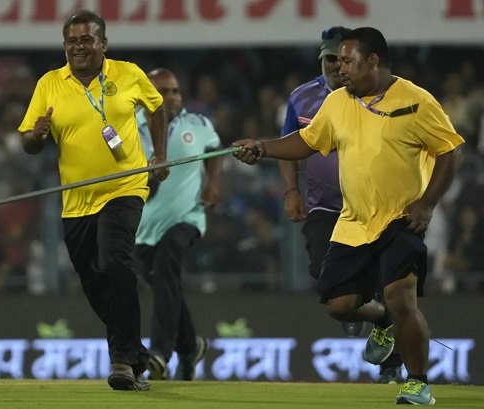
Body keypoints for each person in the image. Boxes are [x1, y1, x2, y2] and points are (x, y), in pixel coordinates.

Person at [232, 27, 464, 405]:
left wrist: (427, 203)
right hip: (353, 221)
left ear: (372, 61)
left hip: (400, 218)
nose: (340, 68)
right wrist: (263, 147)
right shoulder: (338, 101)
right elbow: (307, 140)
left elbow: (450, 151)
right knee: (339, 305)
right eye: (338, 61)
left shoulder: (416, 101)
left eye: (347, 61)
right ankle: (383, 321)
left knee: (401, 297)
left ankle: (418, 382)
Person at [17, 9, 169, 391]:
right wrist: (36, 136)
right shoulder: (49, 83)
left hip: (124, 187)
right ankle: (136, 353)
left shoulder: (128, 73)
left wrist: (160, 155)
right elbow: (29, 143)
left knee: (114, 260)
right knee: (94, 282)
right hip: (76, 201)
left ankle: (122, 363)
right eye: (72, 41)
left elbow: (157, 107)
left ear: (103, 43)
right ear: (64, 46)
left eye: (87, 39)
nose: (79, 47)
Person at [278, 26, 404, 383]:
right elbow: (289, 145)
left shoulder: (380, 95)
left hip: (373, 208)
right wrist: (291, 190)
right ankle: (365, 309)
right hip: (325, 207)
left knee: (389, 287)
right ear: (321, 60)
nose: (337, 65)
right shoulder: (302, 98)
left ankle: (392, 367)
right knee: (325, 276)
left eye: (344, 59)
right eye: (331, 58)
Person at [133, 68, 222, 381]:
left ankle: (160, 352)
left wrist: (212, 183)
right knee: (165, 286)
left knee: (167, 267)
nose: (171, 97)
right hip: (142, 228)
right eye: (162, 91)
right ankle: (190, 346)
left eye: (175, 91)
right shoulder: (129, 127)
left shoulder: (198, 124)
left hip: (186, 218)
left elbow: (215, 151)